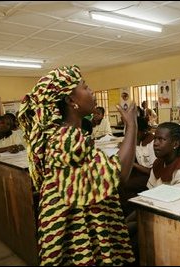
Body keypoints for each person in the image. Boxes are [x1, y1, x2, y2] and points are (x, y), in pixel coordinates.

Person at [17, 65, 137, 266]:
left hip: (82, 225)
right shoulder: (66, 139)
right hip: (77, 233)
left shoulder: (68, 136)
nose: (91, 91)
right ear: (71, 100)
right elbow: (117, 175)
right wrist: (131, 126)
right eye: (85, 86)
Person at [119, 116, 156, 216]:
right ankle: (129, 211)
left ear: (142, 131)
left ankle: (130, 213)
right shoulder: (136, 141)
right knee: (119, 181)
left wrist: (133, 164)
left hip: (151, 176)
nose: (129, 135)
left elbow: (151, 171)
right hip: (140, 172)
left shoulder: (152, 143)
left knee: (124, 185)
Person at [147, 122, 180, 189]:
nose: (155, 143)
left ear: (175, 144)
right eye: (155, 138)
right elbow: (150, 192)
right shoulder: (158, 163)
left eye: (161, 139)